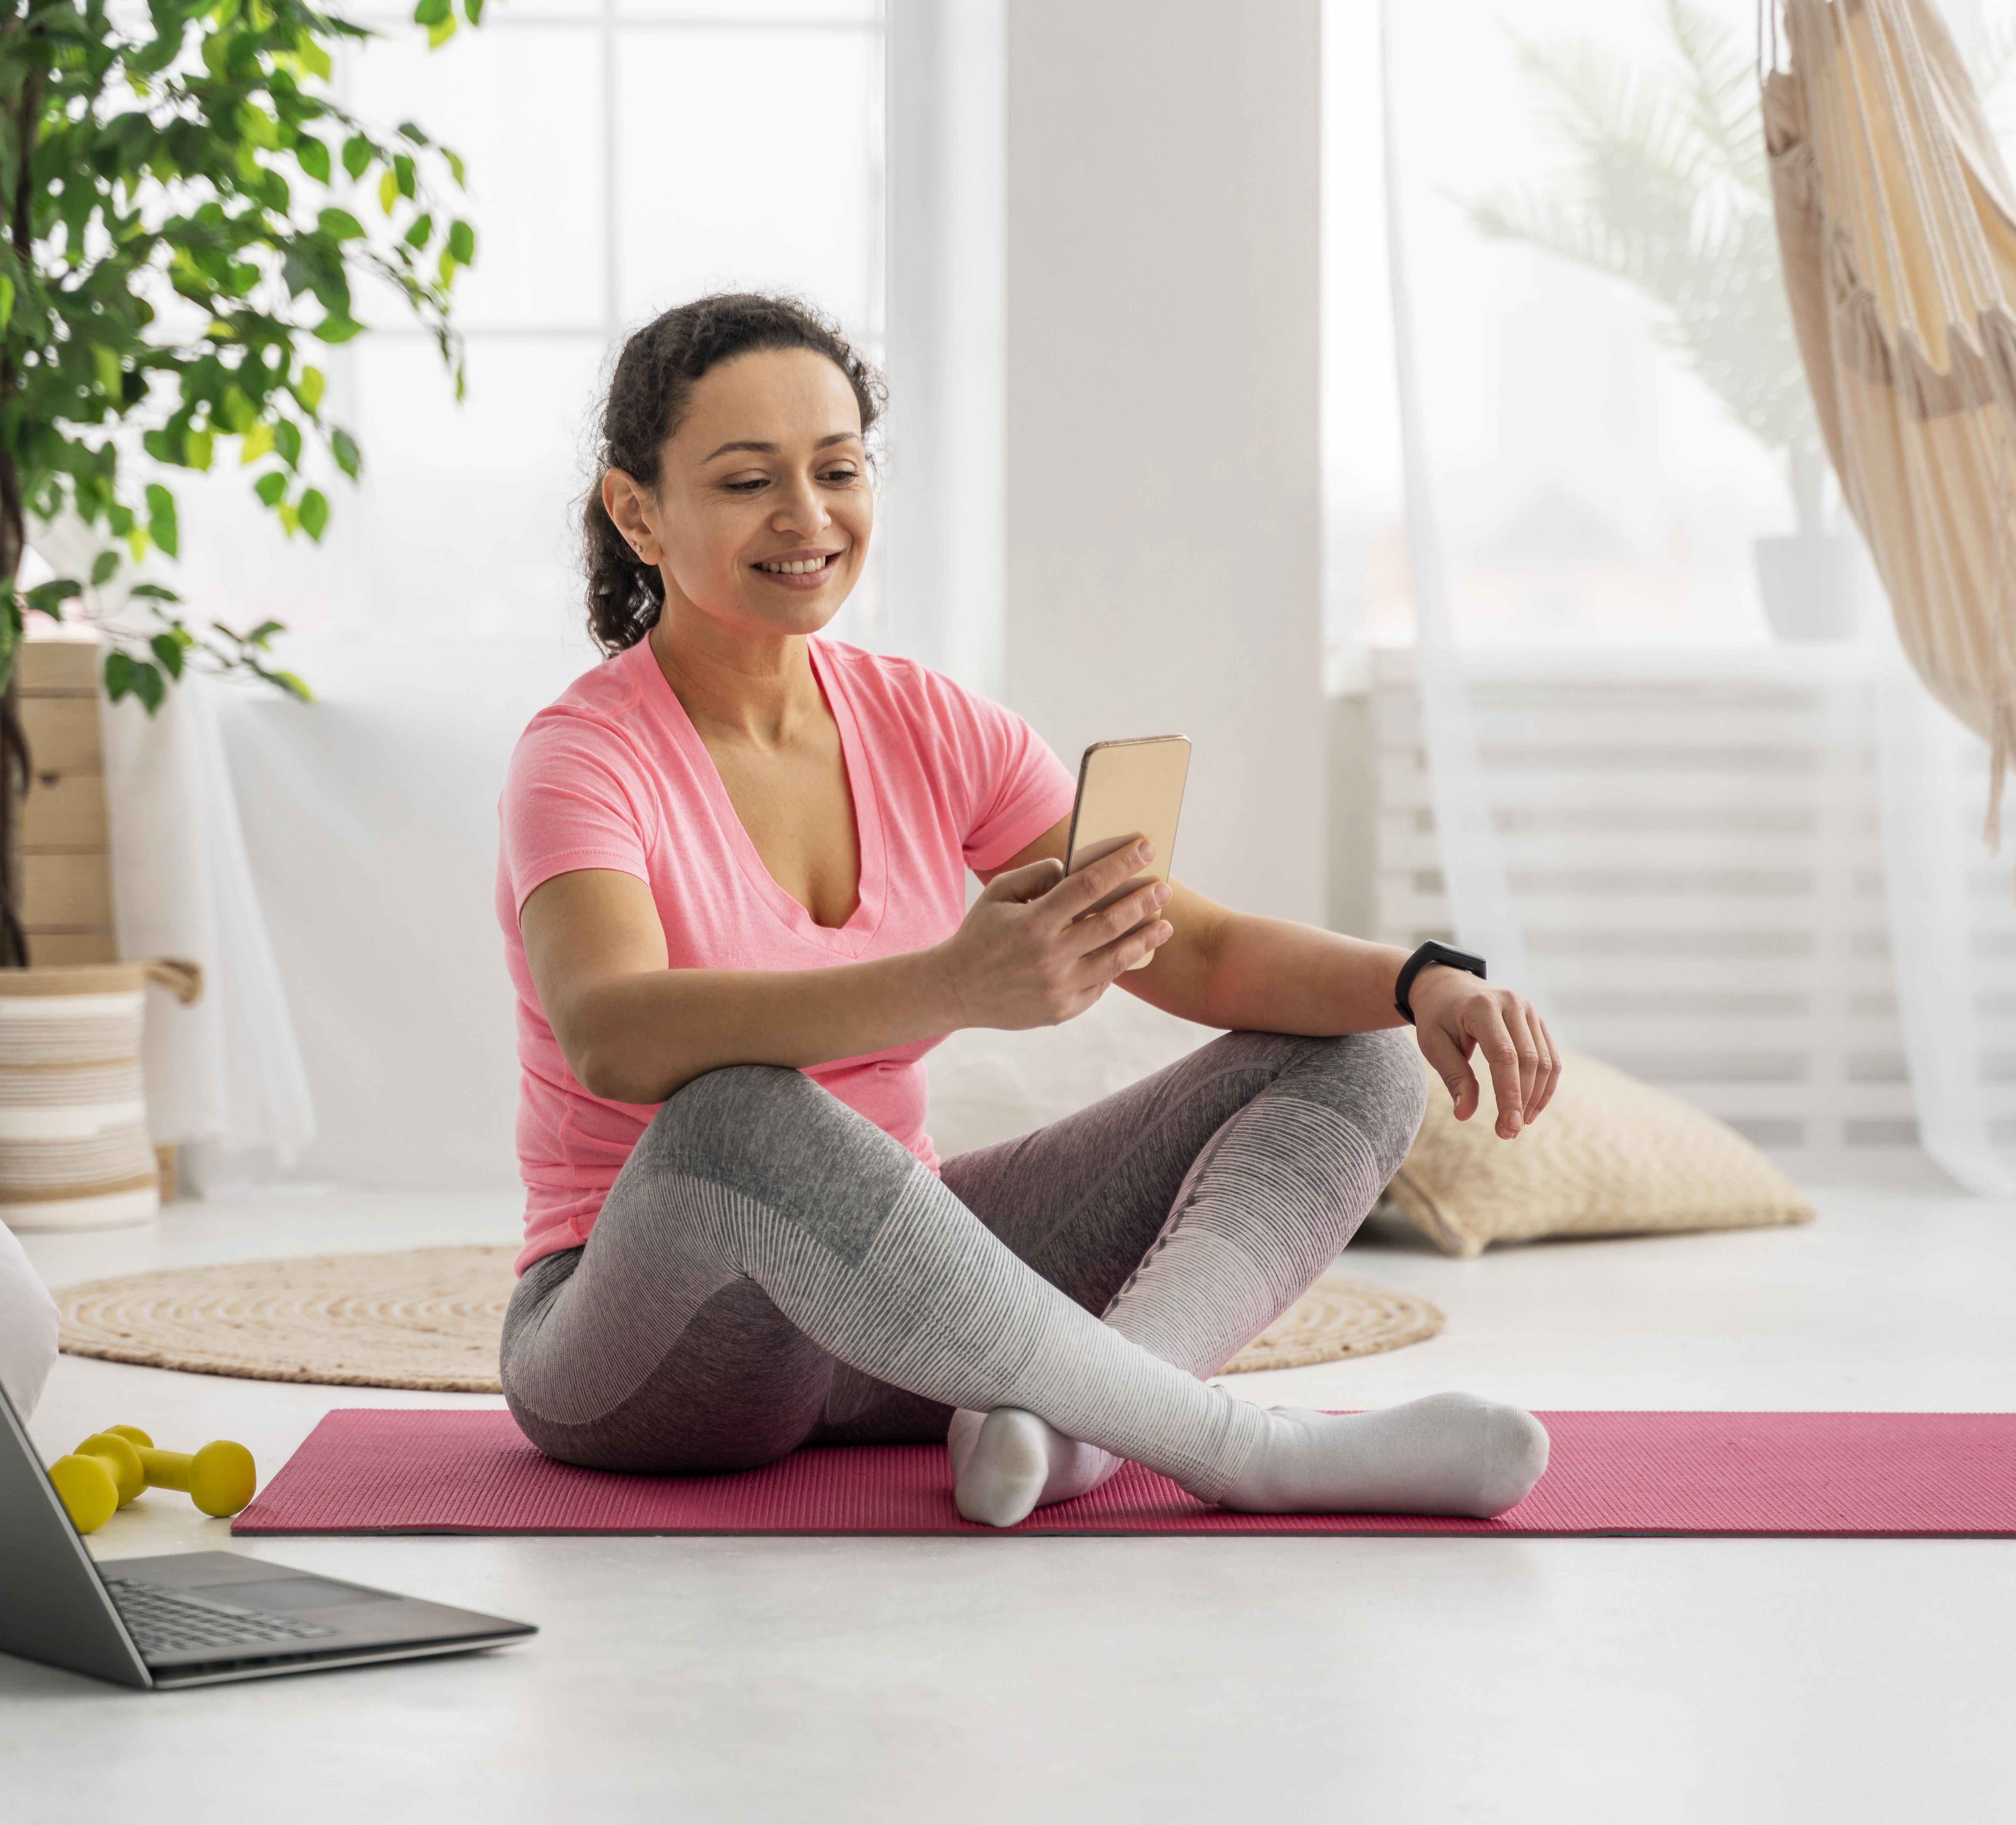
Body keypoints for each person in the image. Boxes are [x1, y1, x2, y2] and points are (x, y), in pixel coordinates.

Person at [494, 292, 1559, 1528]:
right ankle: (1234, 1449)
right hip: (652, 1348)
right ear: (638, 512)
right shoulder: (582, 757)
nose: (807, 518)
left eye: (837, 470)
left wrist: (1424, 977)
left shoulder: (928, 721)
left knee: (1361, 1058)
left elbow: (1198, 952)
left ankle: (1081, 1438)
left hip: (891, 1318)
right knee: (737, 1113)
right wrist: (953, 985)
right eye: (746, 482)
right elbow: (612, 1032)